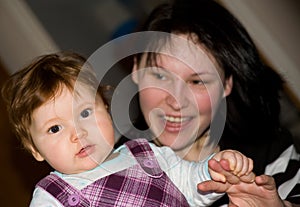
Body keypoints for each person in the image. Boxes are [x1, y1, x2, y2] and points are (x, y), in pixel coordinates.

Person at [1, 51, 256, 206]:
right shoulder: (52, 197)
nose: (78, 133)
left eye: (86, 113)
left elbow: (191, 184)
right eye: (55, 128)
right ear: (35, 149)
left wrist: (214, 169)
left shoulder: (148, 154)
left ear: (107, 108)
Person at [115, 0, 300, 206]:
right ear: (135, 70)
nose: (176, 101)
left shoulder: (266, 146)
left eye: (197, 81)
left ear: (226, 85)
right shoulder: (110, 172)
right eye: (160, 76)